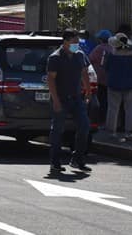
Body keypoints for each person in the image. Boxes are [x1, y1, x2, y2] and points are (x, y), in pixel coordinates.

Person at [47, 29, 92, 174]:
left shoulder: (80, 55)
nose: (77, 45)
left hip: (77, 99)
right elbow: (51, 80)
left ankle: (77, 159)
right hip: (60, 99)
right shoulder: (55, 58)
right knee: (57, 130)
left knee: (84, 127)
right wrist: (55, 100)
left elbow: (84, 73)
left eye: (77, 42)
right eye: (74, 42)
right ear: (65, 42)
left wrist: (88, 92)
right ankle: (55, 162)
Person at [103, 32, 132, 142]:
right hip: (130, 85)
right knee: (130, 109)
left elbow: (105, 68)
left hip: (114, 84)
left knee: (113, 109)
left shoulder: (111, 55)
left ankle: (112, 131)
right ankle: (130, 132)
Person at [89, 29, 113, 123]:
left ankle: (98, 119)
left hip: (98, 78)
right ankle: (105, 119)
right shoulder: (112, 49)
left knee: (99, 99)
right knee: (107, 101)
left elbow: (90, 59)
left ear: (101, 39)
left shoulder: (98, 48)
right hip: (109, 79)